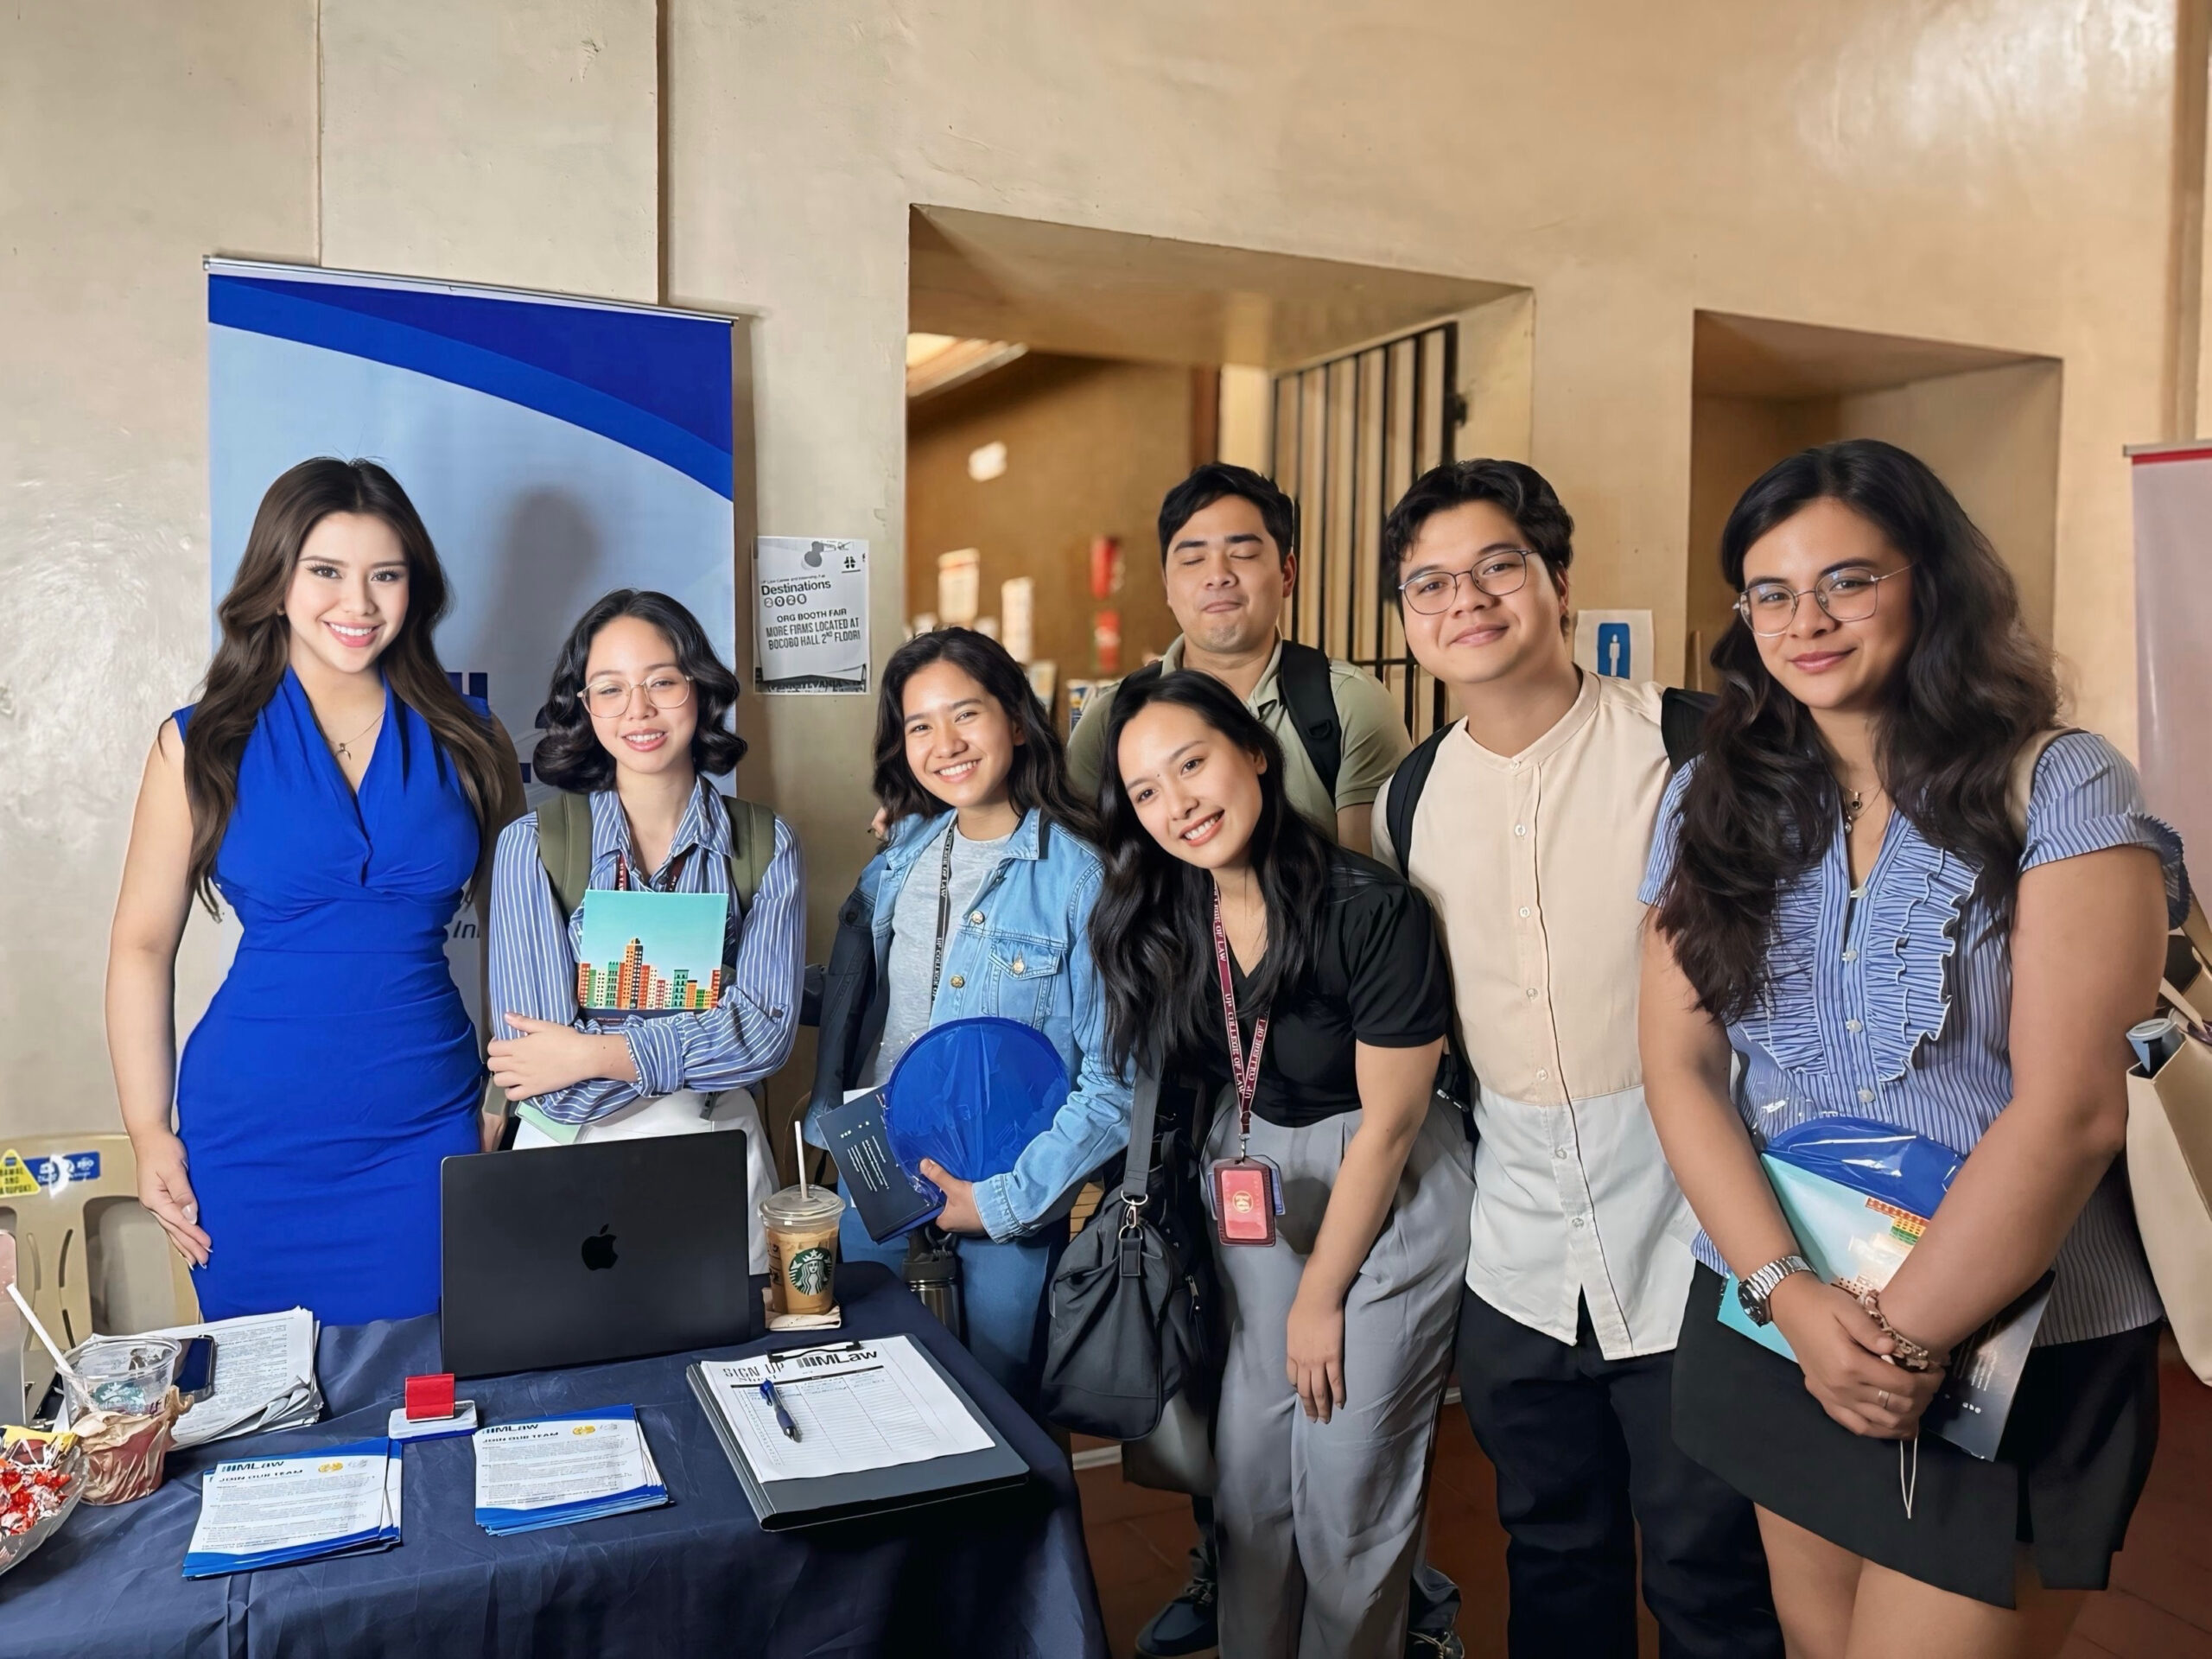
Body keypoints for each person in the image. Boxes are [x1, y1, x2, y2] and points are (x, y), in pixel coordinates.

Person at [1640, 439, 2183, 1657]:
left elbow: (2073, 1113)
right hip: (1783, 1310)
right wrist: (1791, 1303)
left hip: (2001, 1340)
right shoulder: (1709, 796)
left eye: (1848, 581)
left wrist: (1895, 1343)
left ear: (1930, 581)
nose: (1806, 621)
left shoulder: (2060, 784)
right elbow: (1679, 1068)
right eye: (1771, 592)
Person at [1370, 460, 1781, 1657]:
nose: (1465, 600)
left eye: (1497, 567)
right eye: (1429, 583)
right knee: (1551, 1555)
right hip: (1520, 1252)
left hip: (1694, 1234)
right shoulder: (1409, 798)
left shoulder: (1690, 745)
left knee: (1712, 1572)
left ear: (1557, 579)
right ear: (1407, 616)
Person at [1076, 464, 1457, 1657]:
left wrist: (1321, 1297)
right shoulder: (1170, 916)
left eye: (1194, 766)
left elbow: (1392, 1127)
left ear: (1252, 751)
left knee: (1348, 1496)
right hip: (1247, 1175)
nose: (1178, 803)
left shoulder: (1368, 909)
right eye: (1147, 790)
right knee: (1247, 1486)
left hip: (1381, 1196)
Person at [105, 457, 524, 1324]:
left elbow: (524, 939)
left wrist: (504, 1098)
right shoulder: (200, 743)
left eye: (386, 575)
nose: (357, 603)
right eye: (326, 571)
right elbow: (141, 946)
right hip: (250, 1138)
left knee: (430, 1379)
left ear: (415, 588)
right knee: (271, 1392)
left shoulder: (474, 740)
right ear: (277, 581)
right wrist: (147, 1129)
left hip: (429, 1126)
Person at [805, 626, 1132, 1411]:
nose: (945, 744)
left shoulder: (1082, 878)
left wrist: (1002, 1204)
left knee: (999, 1414)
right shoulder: (902, 854)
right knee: (871, 1395)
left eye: (966, 715)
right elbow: (865, 995)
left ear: (1015, 720)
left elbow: (1114, 1084)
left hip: (1005, 1184)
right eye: (919, 726)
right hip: (880, 1164)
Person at [483, 590, 804, 1271]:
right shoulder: (533, 847)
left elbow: (766, 1038)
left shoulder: (764, 844)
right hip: (570, 1166)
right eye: (610, 688)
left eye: (662, 681)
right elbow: (543, 1076)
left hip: (718, 1161)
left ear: (701, 688)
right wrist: (702, 1044)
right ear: (584, 705)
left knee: (731, 1335)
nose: (639, 709)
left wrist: (590, 1052)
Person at [1066, 463, 1409, 856]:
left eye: (1243, 554)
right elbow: (1080, 870)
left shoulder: (1348, 705)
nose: (1218, 576)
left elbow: (1367, 880)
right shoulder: (1111, 720)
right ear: (1167, 585)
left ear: (1287, 573)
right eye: (1192, 560)